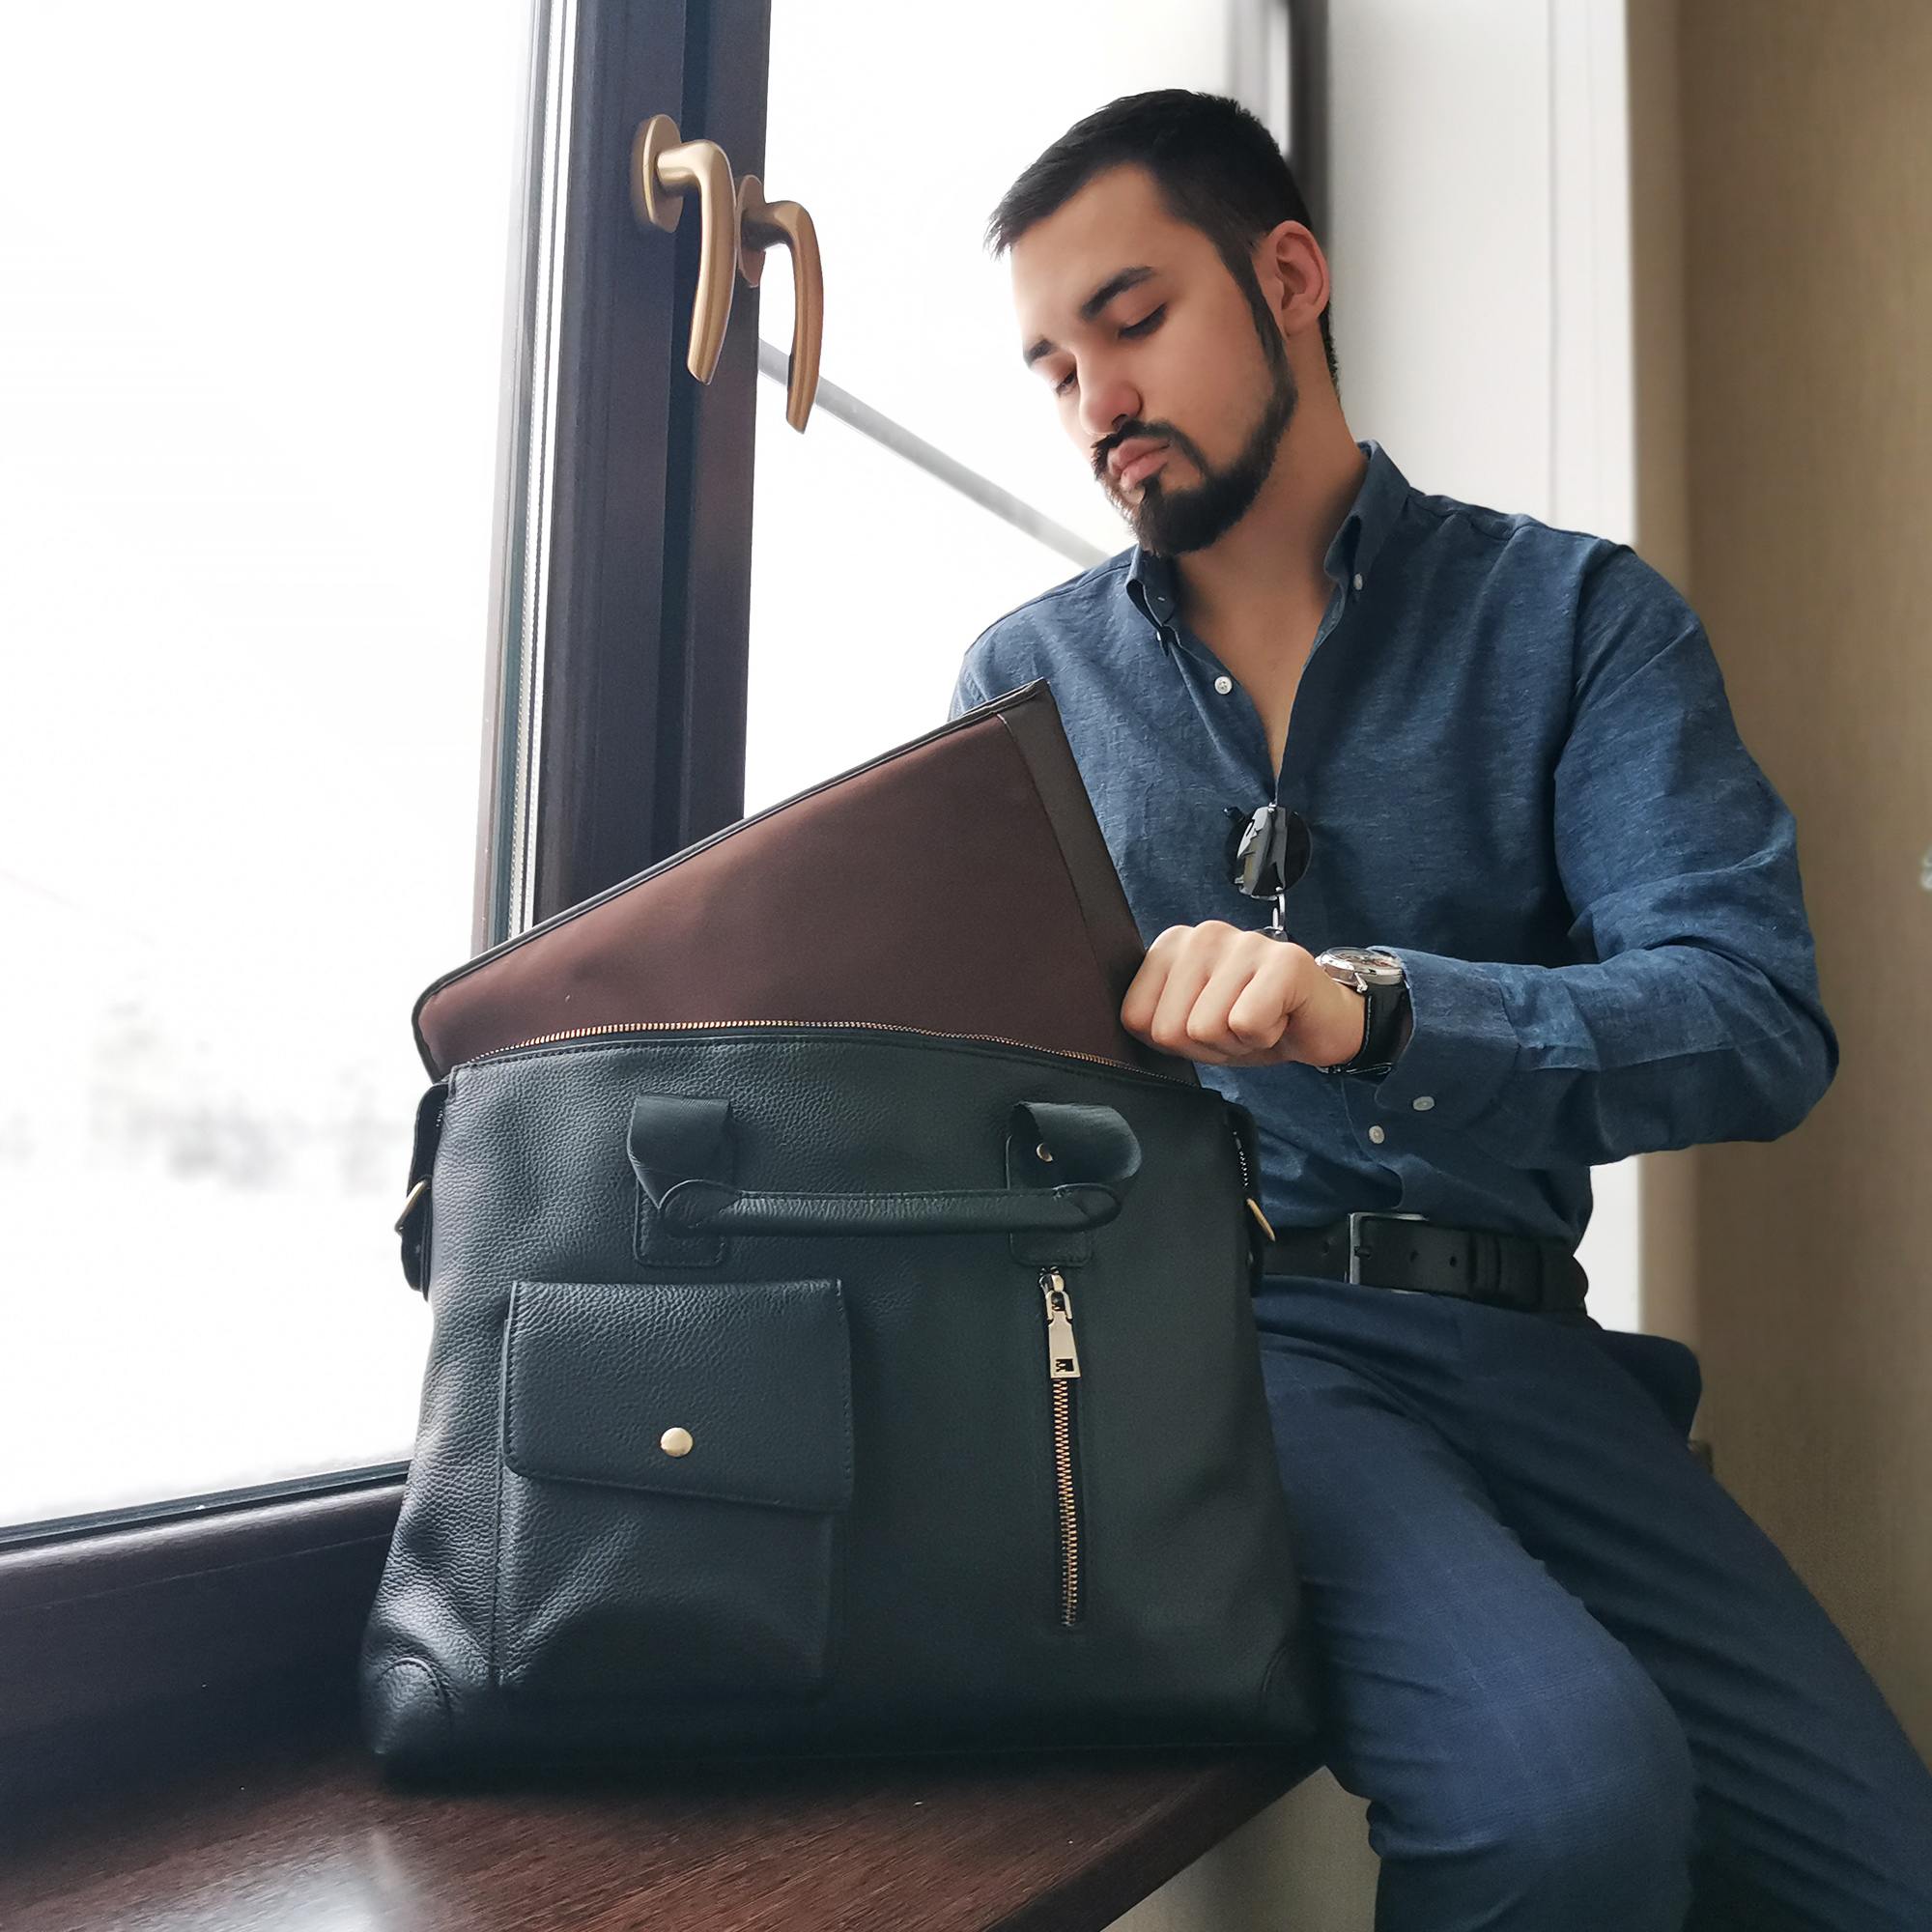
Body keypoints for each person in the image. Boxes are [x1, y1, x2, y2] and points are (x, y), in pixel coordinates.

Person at [948, 87, 1932, 1930]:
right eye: (1055, 367)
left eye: (1134, 319)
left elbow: (1751, 1017)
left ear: (1289, 276)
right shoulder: (1022, 687)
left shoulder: (1583, 621)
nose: (1097, 403)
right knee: (1563, 1798)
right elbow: (980, 1104)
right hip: (1234, 1355)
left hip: (1541, 1355)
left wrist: (1377, 1005)